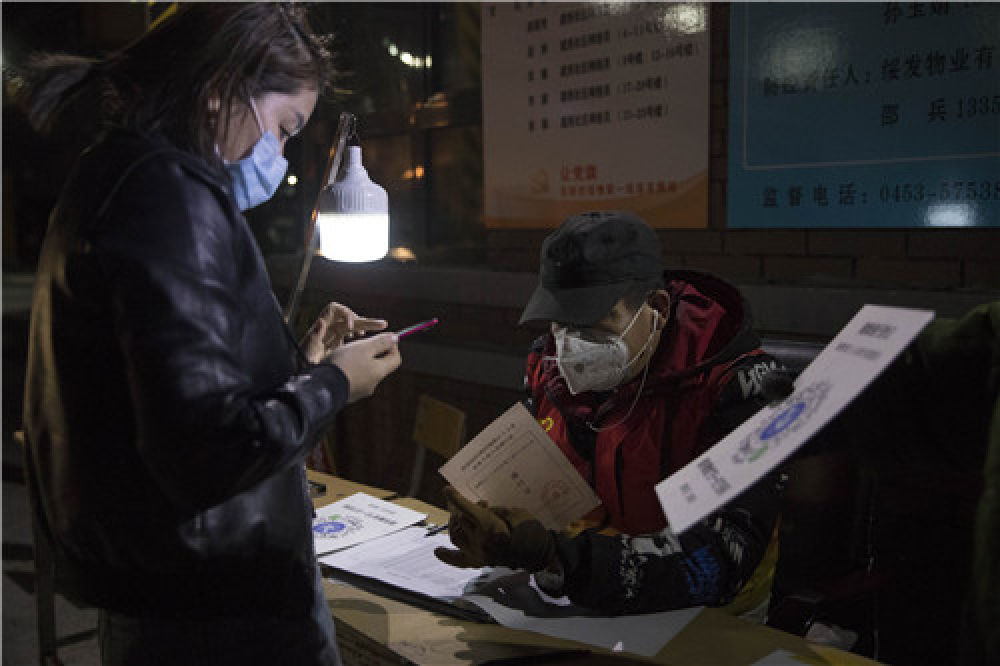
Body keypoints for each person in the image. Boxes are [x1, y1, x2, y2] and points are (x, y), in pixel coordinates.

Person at [16, 5, 400, 665]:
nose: (279, 155)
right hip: (218, 611)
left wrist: (303, 361)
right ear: (223, 89)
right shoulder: (166, 193)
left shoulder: (115, 174)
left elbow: (169, 392)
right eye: (284, 128)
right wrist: (336, 383)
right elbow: (208, 446)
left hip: (168, 593)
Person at [435, 210, 785, 618]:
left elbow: (724, 559)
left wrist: (558, 556)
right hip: (578, 600)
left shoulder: (740, 388)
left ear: (656, 308)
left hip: (709, 620)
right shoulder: (547, 368)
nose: (570, 346)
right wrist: (499, 529)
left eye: (593, 325)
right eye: (561, 323)